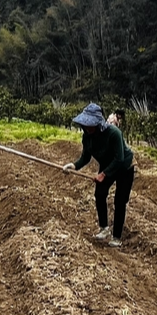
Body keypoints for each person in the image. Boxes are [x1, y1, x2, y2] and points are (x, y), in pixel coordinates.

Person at [63, 103, 135, 247]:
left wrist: (104, 174)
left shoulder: (114, 133)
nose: (87, 127)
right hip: (107, 164)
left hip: (124, 166)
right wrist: (74, 165)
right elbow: (86, 157)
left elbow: (119, 158)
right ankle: (104, 228)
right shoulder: (87, 137)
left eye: (90, 124)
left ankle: (116, 237)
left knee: (120, 202)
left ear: (98, 123)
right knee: (100, 194)